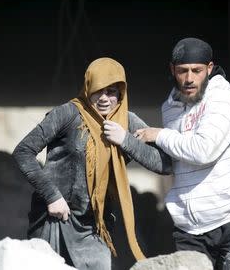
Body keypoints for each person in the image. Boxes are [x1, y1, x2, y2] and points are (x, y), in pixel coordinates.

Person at [106, 37, 230, 270]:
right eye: (182, 71)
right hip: (188, 228)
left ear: (209, 69)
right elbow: (168, 163)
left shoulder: (224, 99)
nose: (189, 78)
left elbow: (203, 150)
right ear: (172, 70)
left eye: (196, 71)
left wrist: (158, 135)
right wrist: (127, 142)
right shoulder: (169, 108)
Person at [12, 57, 171, 270]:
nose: (105, 98)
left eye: (112, 91)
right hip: (55, 220)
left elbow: (164, 164)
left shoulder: (127, 121)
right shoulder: (68, 114)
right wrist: (52, 196)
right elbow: (23, 152)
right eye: (98, 90)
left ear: (121, 93)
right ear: (88, 88)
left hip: (95, 227)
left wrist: (125, 140)